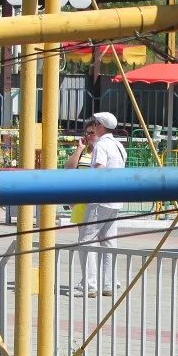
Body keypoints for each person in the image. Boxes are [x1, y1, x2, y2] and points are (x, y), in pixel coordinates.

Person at [66, 111, 126, 297]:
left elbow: (98, 172)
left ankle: (90, 285)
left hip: (99, 199)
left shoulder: (101, 146)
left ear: (100, 126)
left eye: (95, 126)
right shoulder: (118, 146)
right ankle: (108, 283)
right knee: (108, 242)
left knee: (86, 240)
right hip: (115, 200)